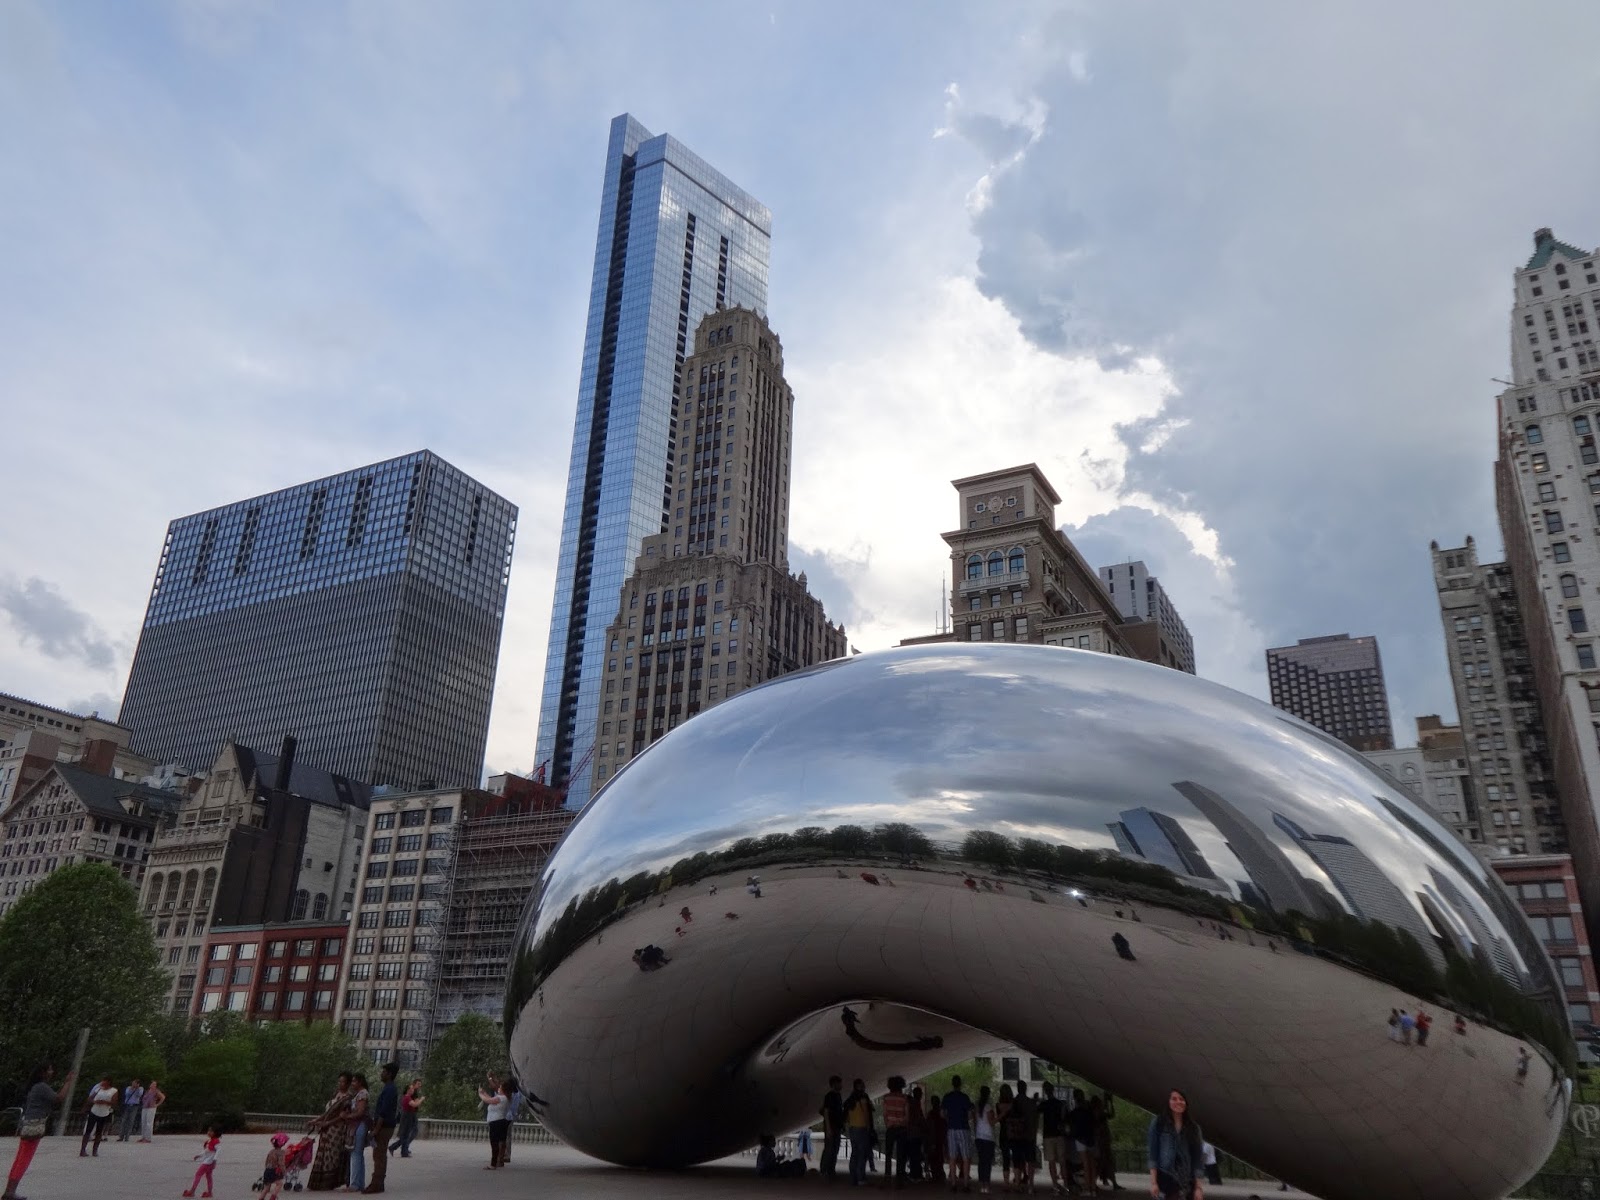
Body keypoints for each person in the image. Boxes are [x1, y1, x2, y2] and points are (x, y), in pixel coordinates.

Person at [6, 1063, 75, 1200]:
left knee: (20, 1158)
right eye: (49, 1069)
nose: (51, 1071)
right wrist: (68, 1083)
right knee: (23, 1160)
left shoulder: (34, 1087)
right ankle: (10, 1192)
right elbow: (59, 1098)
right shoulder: (42, 1087)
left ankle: (9, 1190)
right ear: (43, 1073)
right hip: (34, 1125)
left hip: (27, 1124)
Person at [1146, 1088, 1203, 1200]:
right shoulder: (1159, 1123)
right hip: (1164, 1176)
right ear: (1168, 1102)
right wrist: (1153, 1183)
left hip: (1186, 1179)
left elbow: (1198, 1159)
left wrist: (1198, 1188)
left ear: (1186, 1103)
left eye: (1181, 1099)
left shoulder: (1193, 1128)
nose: (1178, 1102)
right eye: (1174, 1099)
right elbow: (1153, 1153)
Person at [308, 1072, 353, 1190]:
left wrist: (327, 1123)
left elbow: (343, 1116)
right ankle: (319, 1182)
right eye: (339, 1081)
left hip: (336, 1130)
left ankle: (329, 1183)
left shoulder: (348, 1098)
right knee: (323, 1153)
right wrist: (317, 1120)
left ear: (348, 1084)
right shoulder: (336, 1094)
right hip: (326, 1129)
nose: (340, 1084)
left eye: (343, 1082)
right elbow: (328, 1112)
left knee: (332, 1155)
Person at [364, 1062, 399, 1193]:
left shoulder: (390, 1089)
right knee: (378, 1154)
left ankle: (377, 1183)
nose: (381, 1074)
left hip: (384, 1127)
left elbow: (384, 1111)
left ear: (389, 1074)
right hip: (384, 1126)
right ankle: (378, 1183)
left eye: (384, 1072)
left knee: (379, 1155)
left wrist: (376, 1130)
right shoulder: (388, 1088)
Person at [943, 1075, 976, 1192]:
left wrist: (949, 1120)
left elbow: (943, 1113)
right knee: (965, 1157)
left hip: (951, 1129)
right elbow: (971, 1112)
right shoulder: (964, 1097)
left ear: (952, 1084)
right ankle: (966, 1184)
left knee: (952, 1157)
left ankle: (953, 1183)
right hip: (963, 1128)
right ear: (960, 1084)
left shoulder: (947, 1097)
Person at [1007, 1080, 1037, 1195]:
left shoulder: (1013, 1103)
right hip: (1028, 1137)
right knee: (1030, 1161)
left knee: (1017, 1161)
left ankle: (1018, 1184)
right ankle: (1031, 1186)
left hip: (1015, 1137)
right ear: (1025, 1089)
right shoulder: (1031, 1103)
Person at [881, 1075, 911, 1188]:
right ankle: (900, 1179)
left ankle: (887, 1177)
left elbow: (884, 1114)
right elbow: (907, 1116)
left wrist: (888, 1124)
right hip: (902, 1129)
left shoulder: (886, 1098)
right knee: (901, 1154)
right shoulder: (904, 1098)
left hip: (891, 1128)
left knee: (888, 1154)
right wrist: (903, 1123)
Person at [845, 1078, 874, 1187]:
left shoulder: (850, 1099)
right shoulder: (863, 1098)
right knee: (862, 1154)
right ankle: (861, 1177)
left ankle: (853, 1178)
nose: (864, 1086)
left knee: (854, 1153)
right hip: (862, 1128)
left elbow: (847, 1117)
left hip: (852, 1128)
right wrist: (869, 1127)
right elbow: (867, 1113)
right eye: (863, 1085)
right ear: (860, 1086)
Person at [345, 1071, 371, 1191]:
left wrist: (347, 1116)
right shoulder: (360, 1093)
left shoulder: (362, 1094)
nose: (352, 1083)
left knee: (355, 1153)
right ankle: (359, 1182)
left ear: (360, 1082)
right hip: (359, 1125)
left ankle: (354, 1183)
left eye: (354, 1081)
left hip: (359, 1125)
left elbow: (360, 1112)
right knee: (358, 1154)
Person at [1038, 1081, 1066, 1193]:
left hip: (1048, 1135)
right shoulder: (1060, 1104)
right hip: (1059, 1135)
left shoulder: (1044, 1105)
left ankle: (1055, 1184)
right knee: (1062, 1161)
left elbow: (1037, 1111)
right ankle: (1066, 1183)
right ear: (1053, 1090)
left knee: (1051, 1161)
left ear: (1045, 1091)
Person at [80, 1075, 119, 1156]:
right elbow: (90, 1098)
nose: (102, 1082)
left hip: (104, 1113)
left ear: (108, 1082)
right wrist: (94, 1101)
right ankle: (82, 1150)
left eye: (104, 1081)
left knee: (99, 1132)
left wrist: (105, 1102)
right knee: (88, 1131)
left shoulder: (113, 1091)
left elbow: (114, 1102)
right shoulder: (98, 1089)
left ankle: (95, 1150)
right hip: (94, 1111)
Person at [478, 1078, 510, 1169]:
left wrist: (480, 1094)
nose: (498, 1089)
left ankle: (493, 1163)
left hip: (496, 1122)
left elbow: (488, 1100)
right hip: (501, 1121)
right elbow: (491, 1099)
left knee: (494, 1143)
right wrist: (484, 1093)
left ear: (504, 1090)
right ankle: (497, 1161)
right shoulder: (505, 1098)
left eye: (500, 1087)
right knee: (498, 1142)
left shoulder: (501, 1098)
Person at [1069, 1088, 1096, 1195]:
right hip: (1091, 1138)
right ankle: (1093, 1188)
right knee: (1092, 1164)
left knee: (1085, 1164)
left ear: (1075, 1098)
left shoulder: (1075, 1112)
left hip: (1080, 1139)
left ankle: (1087, 1188)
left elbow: (1070, 1124)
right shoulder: (1089, 1111)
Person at [974, 1084, 998, 1196]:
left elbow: (975, 1122)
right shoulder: (988, 1107)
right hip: (988, 1138)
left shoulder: (977, 1106)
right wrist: (1002, 1115)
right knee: (987, 1163)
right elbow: (992, 1122)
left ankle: (981, 1186)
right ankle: (987, 1186)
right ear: (988, 1094)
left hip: (979, 1137)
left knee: (981, 1162)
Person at [184, 1125, 220, 1198]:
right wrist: (199, 1155)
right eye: (208, 1131)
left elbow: (218, 1151)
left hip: (208, 1162)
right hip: (208, 1161)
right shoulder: (209, 1141)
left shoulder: (216, 1141)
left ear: (216, 1133)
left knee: (198, 1174)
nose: (209, 1132)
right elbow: (206, 1151)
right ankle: (209, 1192)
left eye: (211, 1131)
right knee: (208, 1176)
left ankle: (192, 1191)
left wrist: (214, 1160)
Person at [820, 1075, 845, 1183]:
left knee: (835, 1149)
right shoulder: (829, 1096)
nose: (841, 1085)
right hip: (831, 1126)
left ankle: (831, 1170)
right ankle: (824, 1170)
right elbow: (825, 1111)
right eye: (839, 1083)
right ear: (834, 1084)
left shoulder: (838, 1096)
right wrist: (828, 1128)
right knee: (829, 1149)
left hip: (837, 1126)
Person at [1092, 1094, 1117, 1191]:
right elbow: (1110, 1114)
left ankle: (1111, 1182)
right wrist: (1109, 1103)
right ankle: (1094, 1182)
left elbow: (1110, 1114)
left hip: (1103, 1140)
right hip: (1101, 1141)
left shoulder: (1098, 1113)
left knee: (1105, 1162)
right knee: (1101, 1162)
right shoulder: (1098, 1114)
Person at [395, 1080, 424, 1159]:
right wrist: (421, 1100)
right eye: (418, 1084)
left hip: (409, 1115)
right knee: (406, 1133)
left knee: (407, 1133)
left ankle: (403, 1149)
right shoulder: (407, 1097)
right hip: (408, 1115)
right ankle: (401, 1149)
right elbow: (414, 1104)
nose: (413, 1090)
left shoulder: (410, 1096)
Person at [994, 1084, 1015, 1192]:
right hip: (1014, 1133)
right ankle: (1017, 1181)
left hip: (1003, 1133)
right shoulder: (1013, 1104)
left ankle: (1006, 1183)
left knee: (1005, 1158)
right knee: (1016, 1157)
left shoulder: (998, 1105)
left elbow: (998, 1119)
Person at [924, 1091, 946, 1184]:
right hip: (940, 1138)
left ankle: (936, 1174)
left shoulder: (931, 1114)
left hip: (933, 1138)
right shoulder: (941, 1114)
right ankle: (940, 1174)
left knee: (933, 1157)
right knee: (939, 1156)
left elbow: (929, 1127)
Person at [262, 1131, 289, 1200]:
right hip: (274, 1170)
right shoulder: (281, 1152)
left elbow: (266, 1161)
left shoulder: (271, 1151)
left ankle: (261, 1198)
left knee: (266, 1188)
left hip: (267, 1170)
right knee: (279, 1184)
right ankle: (273, 1197)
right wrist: (284, 1172)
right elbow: (281, 1163)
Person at [139, 1077, 165, 1142]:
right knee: (143, 1122)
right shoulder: (147, 1091)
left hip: (151, 1108)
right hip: (145, 1107)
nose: (153, 1085)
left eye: (154, 1084)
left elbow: (163, 1097)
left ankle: (148, 1138)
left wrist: (157, 1104)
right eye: (152, 1084)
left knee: (149, 1123)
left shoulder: (156, 1091)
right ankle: (143, 1137)